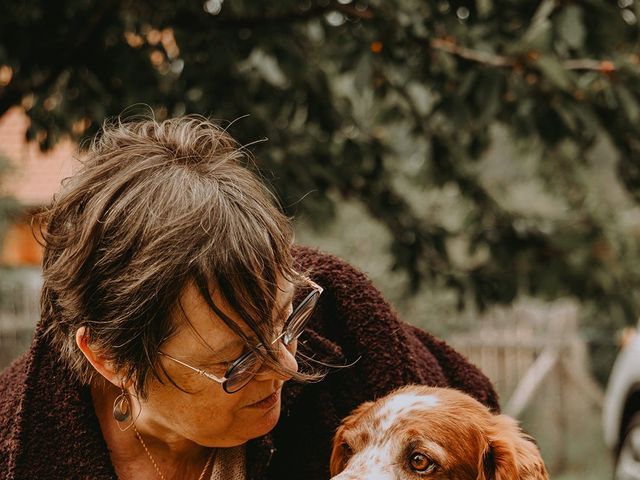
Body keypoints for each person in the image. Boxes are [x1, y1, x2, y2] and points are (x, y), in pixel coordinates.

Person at [0, 116, 498, 480]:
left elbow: (481, 432)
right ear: (111, 359)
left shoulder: (342, 319)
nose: (286, 364)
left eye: (286, 320)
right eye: (236, 359)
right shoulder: (18, 450)